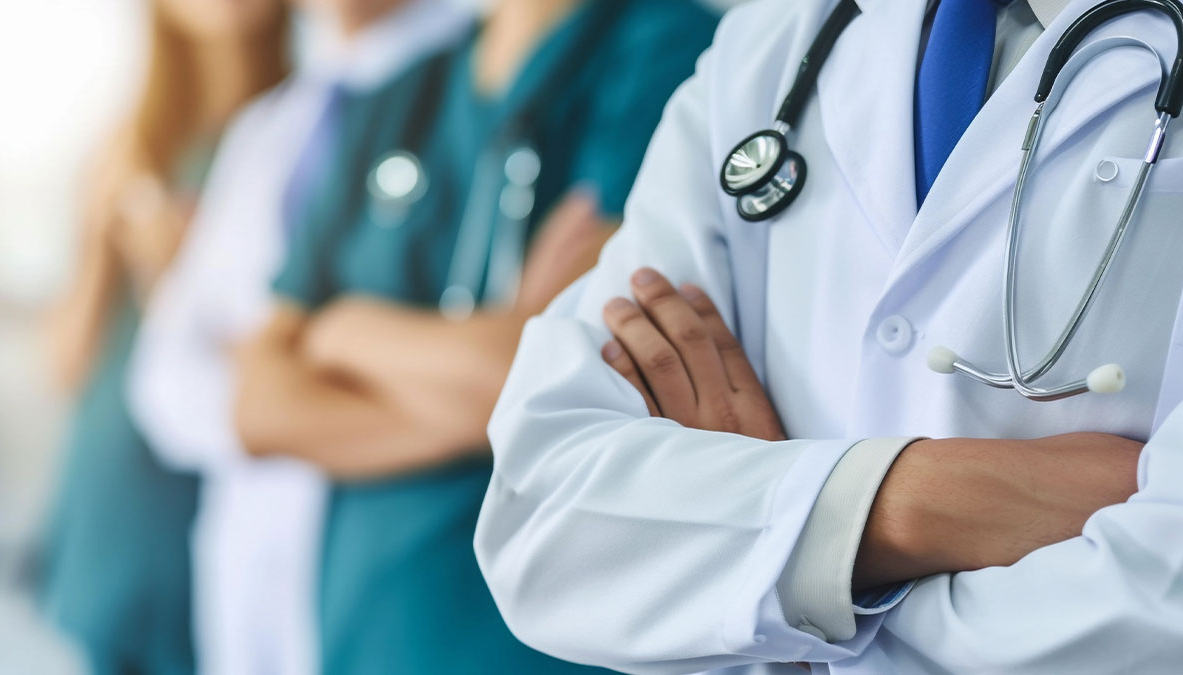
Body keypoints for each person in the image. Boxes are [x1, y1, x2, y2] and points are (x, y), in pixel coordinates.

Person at [477, 0, 1183, 673]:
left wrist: (765, 591)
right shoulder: (771, 48)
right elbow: (544, 516)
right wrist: (902, 504)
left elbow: (1159, 610)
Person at [232, 0, 719, 671]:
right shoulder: (399, 94)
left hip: (541, 642)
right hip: (367, 636)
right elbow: (258, 408)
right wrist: (497, 389)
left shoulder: (669, 54)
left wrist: (342, 330)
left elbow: (561, 375)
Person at [127, 1, 473, 673]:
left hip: (407, 576)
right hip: (248, 556)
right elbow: (165, 380)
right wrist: (463, 417)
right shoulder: (268, 126)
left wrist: (285, 366)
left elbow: (498, 362)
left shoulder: (469, 78)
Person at [39, 1, 289, 672]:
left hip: (210, 490)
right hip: (111, 490)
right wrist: (103, 232)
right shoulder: (126, 143)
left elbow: (276, 349)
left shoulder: (309, 127)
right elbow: (66, 362)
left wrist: (176, 273)